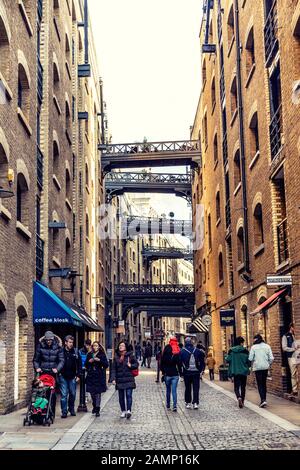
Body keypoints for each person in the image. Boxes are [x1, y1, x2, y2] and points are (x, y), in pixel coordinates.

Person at [33, 331, 64, 417]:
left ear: (53, 339)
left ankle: (51, 413)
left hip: (53, 373)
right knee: (41, 392)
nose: (48, 342)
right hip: (43, 372)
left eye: (50, 340)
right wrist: (37, 368)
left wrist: (57, 369)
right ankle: (41, 410)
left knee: (52, 394)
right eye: (47, 340)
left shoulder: (58, 347)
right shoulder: (40, 346)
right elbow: (36, 359)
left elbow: (61, 360)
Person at [111, 341, 139, 419]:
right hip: (120, 379)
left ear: (125, 347)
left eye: (122, 345)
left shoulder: (130, 356)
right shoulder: (116, 356)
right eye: (120, 345)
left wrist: (131, 365)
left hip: (129, 378)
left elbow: (136, 364)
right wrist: (113, 379)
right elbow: (113, 369)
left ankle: (129, 410)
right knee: (121, 397)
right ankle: (123, 411)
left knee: (129, 395)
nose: (121, 346)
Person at [59, 335, 82, 418]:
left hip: (72, 376)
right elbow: (58, 362)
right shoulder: (61, 351)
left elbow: (79, 364)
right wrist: (59, 373)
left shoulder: (75, 352)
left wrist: (78, 375)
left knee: (72, 394)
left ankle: (71, 409)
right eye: (69, 342)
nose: (71, 344)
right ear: (65, 343)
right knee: (64, 395)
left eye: (72, 342)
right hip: (63, 376)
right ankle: (64, 411)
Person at [179, 337, 205, 409]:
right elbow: (202, 361)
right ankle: (195, 403)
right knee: (196, 388)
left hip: (186, 372)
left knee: (187, 388)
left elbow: (179, 363)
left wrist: (181, 373)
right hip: (196, 372)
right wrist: (200, 370)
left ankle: (188, 403)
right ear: (192, 342)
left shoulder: (182, 351)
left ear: (185, 343)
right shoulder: (197, 351)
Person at [249, 334, 274, 408]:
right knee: (264, 383)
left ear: (256, 339)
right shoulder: (267, 346)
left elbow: (250, 358)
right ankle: (264, 400)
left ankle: (263, 400)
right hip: (265, 367)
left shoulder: (253, 347)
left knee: (260, 384)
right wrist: (268, 363)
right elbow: (271, 358)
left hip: (257, 368)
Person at [225, 337, 251, 408]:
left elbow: (227, 360)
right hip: (243, 371)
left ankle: (238, 397)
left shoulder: (231, 351)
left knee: (236, 387)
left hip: (235, 371)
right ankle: (242, 401)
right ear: (241, 343)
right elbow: (249, 361)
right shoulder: (245, 351)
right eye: (243, 342)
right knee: (243, 387)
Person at [85, 341, 108, 417]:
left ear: (99, 347)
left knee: (98, 393)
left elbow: (106, 365)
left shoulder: (102, 354)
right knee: (92, 393)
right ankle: (94, 405)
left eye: (96, 346)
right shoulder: (89, 354)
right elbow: (86, 365)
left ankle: (97, 409)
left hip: (99, 376)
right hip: (91, 376)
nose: (95, 347)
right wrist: (89, 361)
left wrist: (99, 360)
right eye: (94, 346)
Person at [160, 344, 182, 412]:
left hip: (167, 375)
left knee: (168, 390)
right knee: (174, 391)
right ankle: (175, 406)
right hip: (175, 375)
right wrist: (181, 373)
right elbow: (179, 365)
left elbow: (161, 366)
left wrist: (164, 372)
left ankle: (168, 405)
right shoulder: (175, 355)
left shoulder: (164, 357)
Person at [282, 323, 299, 396]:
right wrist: (293, 349)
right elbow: (284, 347)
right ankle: (295, 390)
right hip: (291, 357)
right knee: (293, 374)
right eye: (295, 328)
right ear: (291, 327)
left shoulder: (297, 335)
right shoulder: (285, 336)